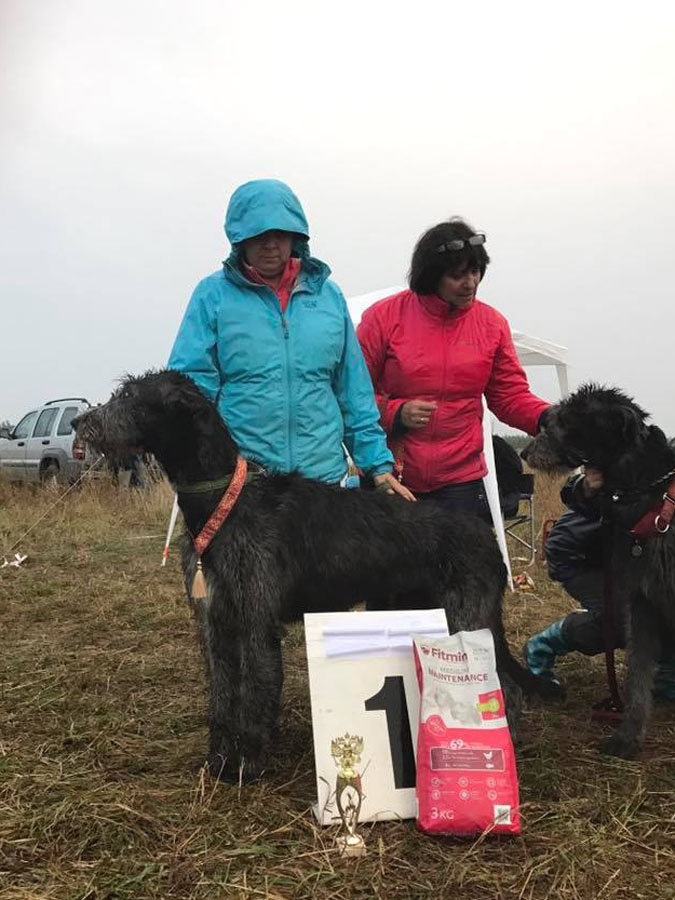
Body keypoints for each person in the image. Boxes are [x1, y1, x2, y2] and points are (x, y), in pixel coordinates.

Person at [168, 179, 413, 499]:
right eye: (258, 234)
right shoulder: (212, 296)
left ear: (296, 236)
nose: (270, 244)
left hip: (322, 484)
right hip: (246, 485)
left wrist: (377, 464)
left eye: (280, 233)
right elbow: (189, 389)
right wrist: (191, 461)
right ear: (239, 237)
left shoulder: (328, 297)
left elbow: (353, 391)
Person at [356, 217, 549, 520]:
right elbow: (352, 396)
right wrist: (395, 413)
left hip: (462, 482)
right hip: (392, 477)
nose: (470, 282)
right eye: (457, 275)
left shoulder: (492, 325)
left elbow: (509, 396)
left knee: (462, 568)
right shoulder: (383, 318)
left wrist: (548, 418)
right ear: (432, 276)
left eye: (474, 272)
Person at [524, 469, 675, 698]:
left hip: (637, 558)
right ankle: (544, 645)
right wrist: (586, 487)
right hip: (583, 553)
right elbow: (575, 489)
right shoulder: (659, 461)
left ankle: (663, 675)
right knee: (625, 620)